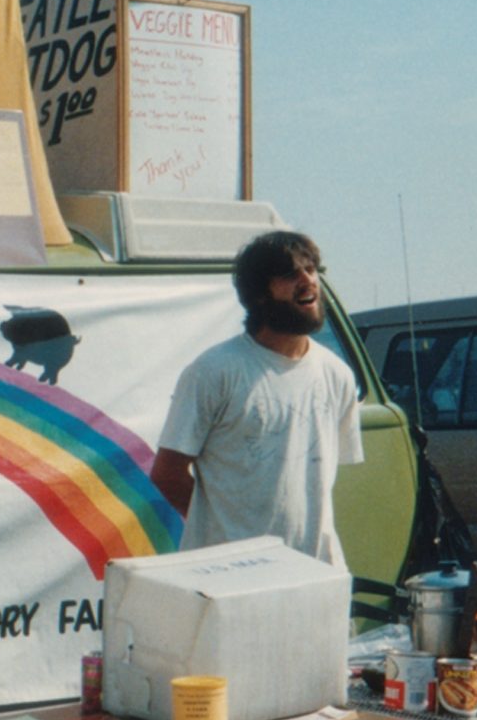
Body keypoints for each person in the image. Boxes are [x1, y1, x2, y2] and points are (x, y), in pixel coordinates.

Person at [149, 230, 362, 568]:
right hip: (231, 574)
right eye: (291, 274)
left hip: (315, 571)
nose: (307, 280)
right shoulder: (214, 371)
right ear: (260, 295)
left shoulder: (338, 375)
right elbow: (167, 473)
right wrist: (224, 530)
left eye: (311, 269)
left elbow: (317, 482)